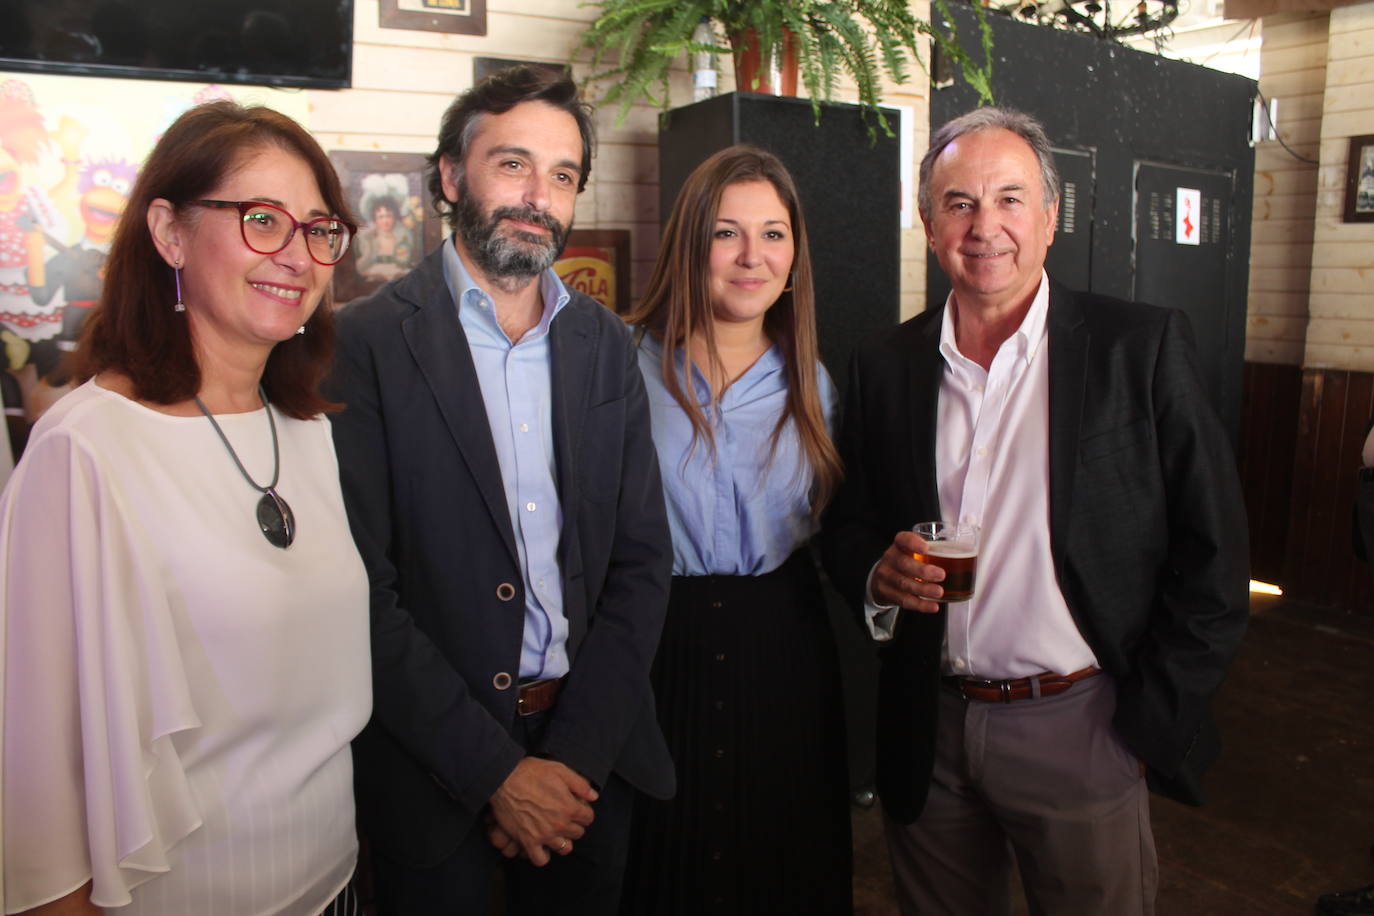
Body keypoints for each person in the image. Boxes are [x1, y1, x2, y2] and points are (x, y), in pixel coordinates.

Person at [820, 107, 1250, 915]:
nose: (985, 228)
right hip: (930, 724)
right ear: (926, 221)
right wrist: (877, 576)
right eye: (959, 203)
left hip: (1084, 726)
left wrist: (1146, 726)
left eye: (1011, 199)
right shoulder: (884, 361)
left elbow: (1217, 562)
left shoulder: (1140, 348)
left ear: (1051, 217)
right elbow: (847, 525)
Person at [0, 101, 370, 915]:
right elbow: (32, 778)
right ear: (168, 232)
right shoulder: (86, 449)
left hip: (336, 883)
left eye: (317, 228)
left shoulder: (306, 431)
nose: (296, 255)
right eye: (261, 219)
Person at [324, 66, 674, 915]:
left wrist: (571, 761)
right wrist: (498, 774)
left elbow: (639, 564)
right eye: (513, 164)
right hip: (434, 770)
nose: (538, 197)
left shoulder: (605, 344)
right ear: (451, 175)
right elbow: (359, 593)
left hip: (590, 752)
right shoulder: (361, 343)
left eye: (562, 176)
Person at [617, 145, 850, 915]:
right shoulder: (622, 366)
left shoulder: (813, 384)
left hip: (783, 650)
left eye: (774, 234)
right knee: (662, 863)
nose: (753, 257)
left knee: (777, 863)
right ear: (691, 244)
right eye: (727, 233)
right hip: (652, 645)